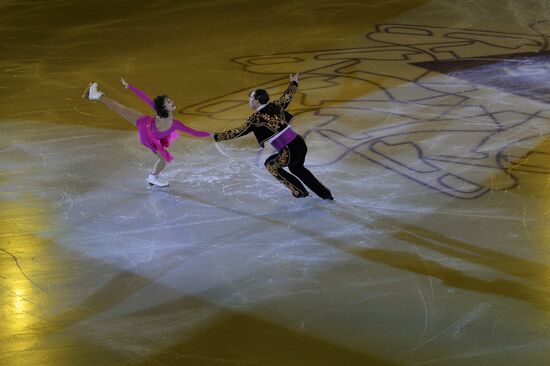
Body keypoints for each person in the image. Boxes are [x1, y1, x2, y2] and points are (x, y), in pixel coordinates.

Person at [213, 73, 333, 199]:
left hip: (289, 149)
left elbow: (239, 132)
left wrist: (216, 136)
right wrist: (294, 83)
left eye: (251, 98)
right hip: (299, 144)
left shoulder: (256, 118)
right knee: (297, 169)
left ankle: (299, 192)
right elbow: (287, 96)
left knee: (270, 165)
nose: (249, 100)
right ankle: (326, 194)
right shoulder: (275, 106)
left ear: (258, 100)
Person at [82, 78, 211, 187]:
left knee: (162, 160)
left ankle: (153, 177)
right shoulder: (173, 122)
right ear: (163, 107)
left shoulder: (170, 119)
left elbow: (194, 132)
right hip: (148, 133)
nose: (172, 102)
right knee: (122, 109)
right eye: (169, 102)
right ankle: (96, 95)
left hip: (148, 130)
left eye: (170, 101)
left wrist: (211, 135)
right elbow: (144, 97)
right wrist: (130, 87)